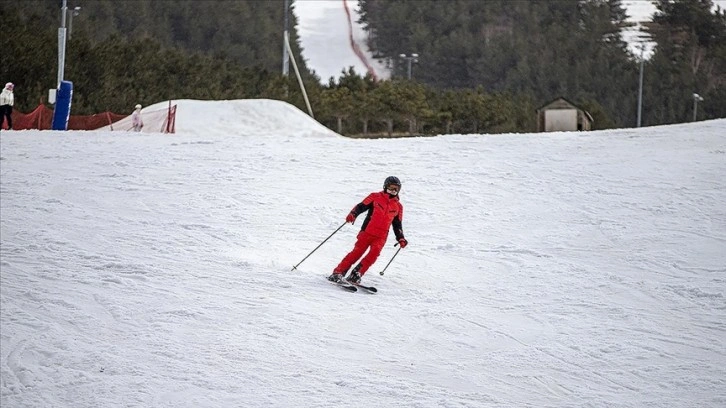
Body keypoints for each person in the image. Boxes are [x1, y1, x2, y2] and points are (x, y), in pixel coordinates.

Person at [328, 176, 408, 284]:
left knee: (373, 255)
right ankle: (338, 272)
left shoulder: (398, 206)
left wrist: (401, 238)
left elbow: (397, 225)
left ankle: (356, 274)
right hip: (367, 232)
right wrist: (353, 214)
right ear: (385, 186)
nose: (393, 191)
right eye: (391, 188)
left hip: (381, 236)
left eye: (396, 189)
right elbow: (360, 207)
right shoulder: (375, 197)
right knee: (357, 252)